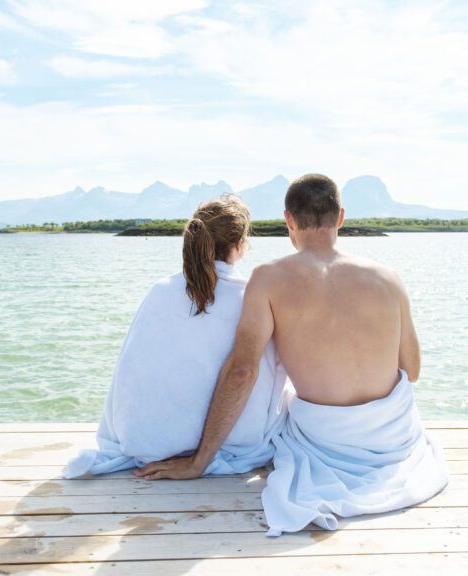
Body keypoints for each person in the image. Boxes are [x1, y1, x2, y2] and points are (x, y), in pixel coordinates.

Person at [135, 174, 448, 536]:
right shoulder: (388, 278)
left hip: (324, 442)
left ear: (289, 220)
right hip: (395, 440)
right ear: (341, 217)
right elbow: (411, 371)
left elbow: (242, 372)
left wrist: (199, 460)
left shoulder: (268, 279)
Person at [65, 195, 287, 478]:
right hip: (231, 441)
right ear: (240, 246)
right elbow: (248, 373)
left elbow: (129, 371)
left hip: (149, 441)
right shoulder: (251, 297)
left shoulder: (161, 291)